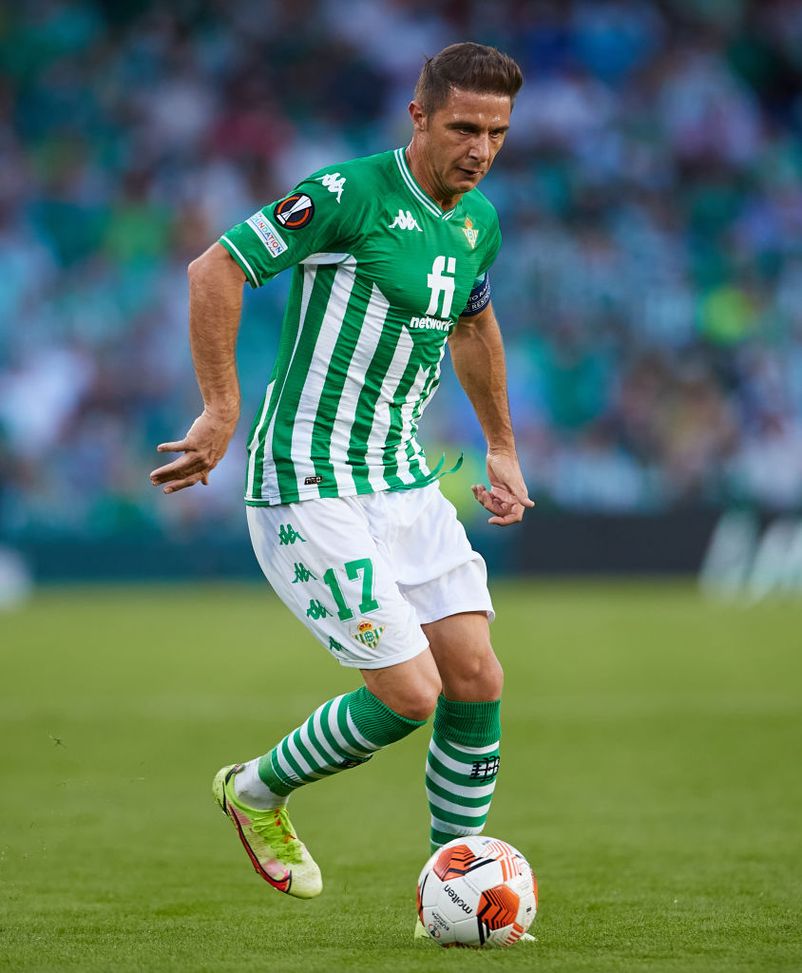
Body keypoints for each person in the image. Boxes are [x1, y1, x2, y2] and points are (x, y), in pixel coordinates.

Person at [150, 42, 533, 924]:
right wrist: (220, 408)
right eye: (465, 127)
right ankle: (252, 791)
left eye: (499, 132)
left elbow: (473, 323)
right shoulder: (345, 194)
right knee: (411, 694)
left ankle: (454, 878)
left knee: (476, 675)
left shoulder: (478, 223)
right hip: (307, 482)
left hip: (402, 479)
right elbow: (216, 267)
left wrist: (502, 445)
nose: (481, 148)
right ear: (419, 115)